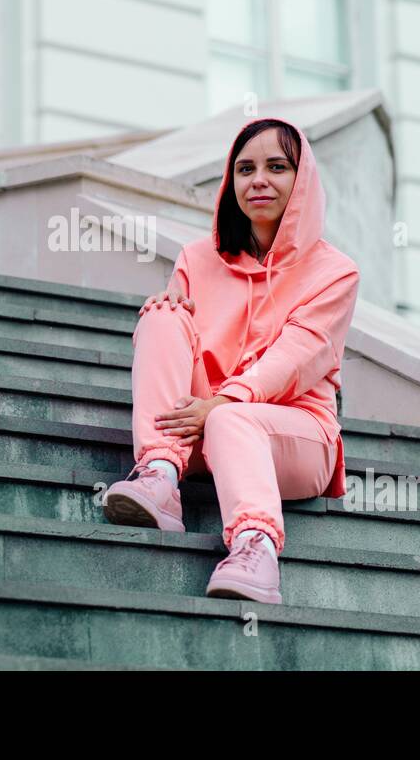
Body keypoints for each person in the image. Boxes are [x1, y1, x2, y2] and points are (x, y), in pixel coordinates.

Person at [102, 116, 360, 605]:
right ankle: (159, 474)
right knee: (163, 315)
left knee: (233, 420)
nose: (258, 179)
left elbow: (294, 359)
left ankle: (255, 547)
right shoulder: (197, 259)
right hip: (193, 432)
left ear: (301, 180)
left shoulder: (335, 273)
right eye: (245, 169)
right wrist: (207, 404)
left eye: (277, 167)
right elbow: (175, 348)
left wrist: (221, 404)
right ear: (230, 181)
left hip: (294, 435)